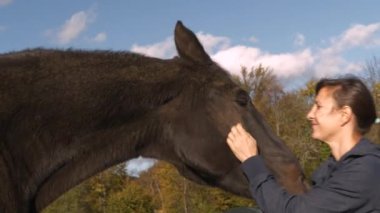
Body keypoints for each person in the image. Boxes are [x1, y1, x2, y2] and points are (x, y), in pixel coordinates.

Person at [226, 76, 380, 213]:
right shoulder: (333, 168)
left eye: (318, 107)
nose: (309, 115)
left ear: (344, 115)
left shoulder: (364, 170)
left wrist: (251, 160)